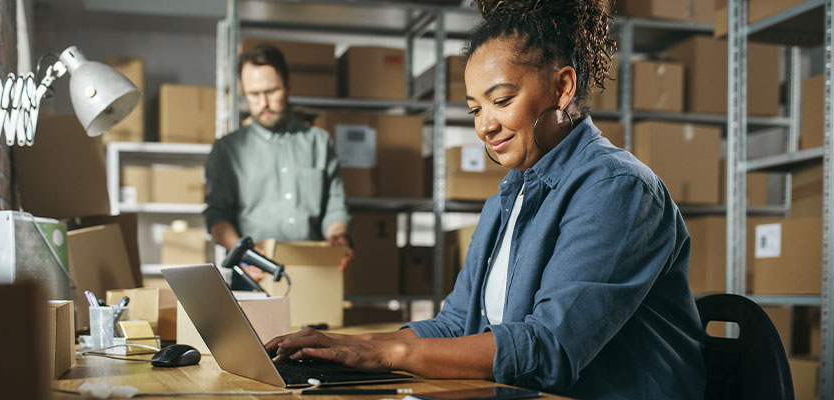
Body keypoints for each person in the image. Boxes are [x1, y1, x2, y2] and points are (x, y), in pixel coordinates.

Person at [264, 0, 706, 398]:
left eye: (502, 100)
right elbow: (457, 325)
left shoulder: (617, 189)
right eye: (476, 109)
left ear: (563, 87)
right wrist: (350, 345)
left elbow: (548, 348)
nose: (484, 126)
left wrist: (386, 356)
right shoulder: (509, 196)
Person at [204, 43, 352, 285]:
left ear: (288, 85)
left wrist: (338, 237)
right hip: (255, 275)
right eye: (253, 94)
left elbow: (335, 208)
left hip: (313, 272)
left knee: (319, 325)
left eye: (271, 91)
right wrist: (243, 253)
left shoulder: (319, 142)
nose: (263, 103)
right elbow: (217, 216)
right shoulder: (227, 150)